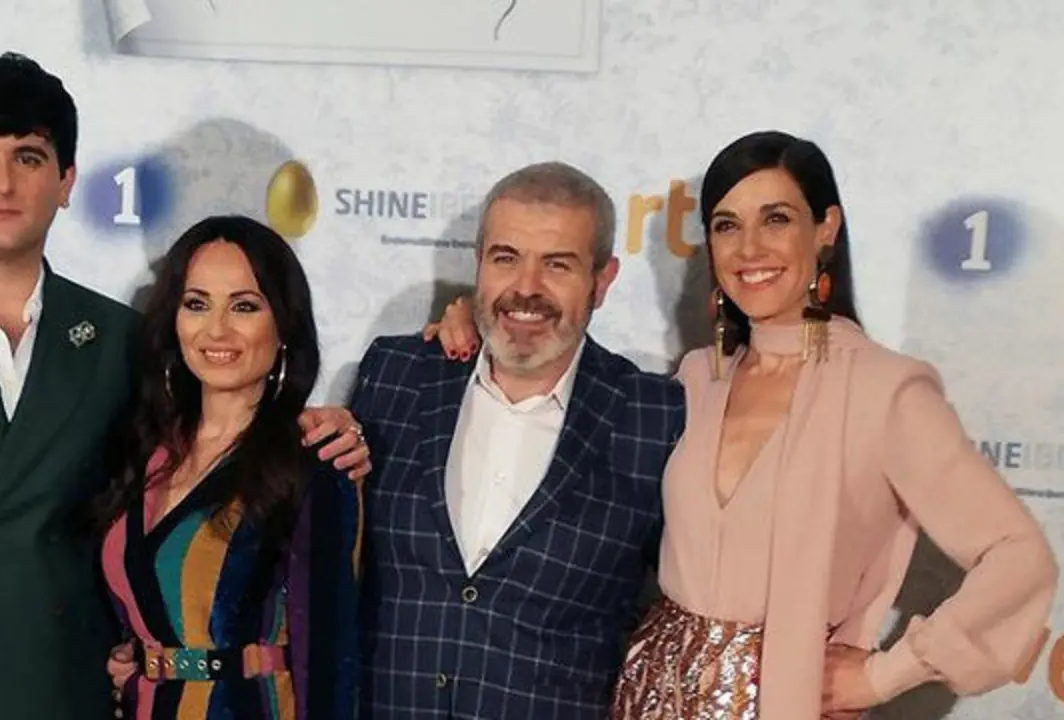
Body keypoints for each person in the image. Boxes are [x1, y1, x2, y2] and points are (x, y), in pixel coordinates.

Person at [0, 53, 368, 720]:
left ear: (65, 182)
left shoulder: (118, 337)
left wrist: (321, 426)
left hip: (65, 682)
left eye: (29, 157)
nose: (3, 181)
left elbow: (205, 452)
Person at [429, 131, 1059, 719]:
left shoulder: (885, 391)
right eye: (727, 225)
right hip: (645, 696)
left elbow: (1018, 555)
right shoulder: (696, 380)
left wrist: (884, 675)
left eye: (776, 219)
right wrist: (473, 328)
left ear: (826, 228)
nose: (750, 248)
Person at [352, 162, 686, 718]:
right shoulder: (396, 374)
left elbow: (690, 597)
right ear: (479, 264)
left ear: (602, 281)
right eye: (506, 258)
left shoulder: (653, 415)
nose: (526, 288)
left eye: (557, 264)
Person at [96, 215, 362, 719]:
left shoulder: (312, 462)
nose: (216, 329)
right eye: (197, 304)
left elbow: (329, 658)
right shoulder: (142, 450)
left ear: (283, 325)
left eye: (244, 306)